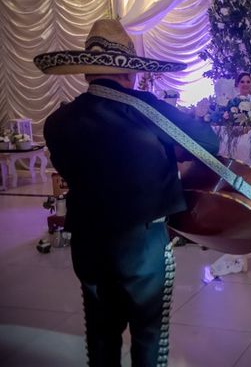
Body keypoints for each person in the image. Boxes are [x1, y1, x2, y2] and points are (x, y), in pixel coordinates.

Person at [33, 19, 220, 367]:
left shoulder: (57, 122)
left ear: (88, 72)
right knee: (148, 337)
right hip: (143, 243)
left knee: (101, 335)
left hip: (88, 239)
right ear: (129, 73)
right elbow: (209, 142)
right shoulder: (148, 109)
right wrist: (168, 154)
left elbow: (72, 169)